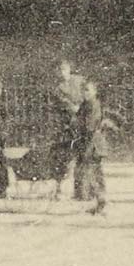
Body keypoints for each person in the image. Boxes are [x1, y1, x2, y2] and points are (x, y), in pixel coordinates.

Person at [75, 78, 114, 214]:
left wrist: (78, 124)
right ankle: (99, 202)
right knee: (93, 173)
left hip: (93, 143)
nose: (84, 93)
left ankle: (100, 201)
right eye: (83, 90)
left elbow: (90, 126)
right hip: (87, 142)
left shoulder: (93, 105)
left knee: (92, 173)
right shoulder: (85, 104)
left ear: (94, 92)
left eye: (87, 90)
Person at [55, 59, 88, 200]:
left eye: (65, 69)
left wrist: (81, 108)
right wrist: (71, 107)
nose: (63, 73)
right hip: (69, 125)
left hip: (83, 121)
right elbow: (62, 103)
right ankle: (66, 190)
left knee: (84, 158)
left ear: (69, 69)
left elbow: (87, 94)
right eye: (60, 70)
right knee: (68, 159)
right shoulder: (59, 88)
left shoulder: (79, 80)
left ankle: (84, 190)